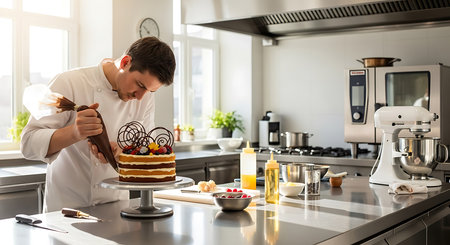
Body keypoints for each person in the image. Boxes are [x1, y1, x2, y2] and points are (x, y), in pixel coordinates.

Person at [20, 37, 176, 212]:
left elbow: (147, 150)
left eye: (150, 90)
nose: (140, 97)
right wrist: (74, 132)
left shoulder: (144, 97)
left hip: (117, 210)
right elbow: (27, 143)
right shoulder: (70, 82)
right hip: (67, 210)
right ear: (125, 62)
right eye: (139, 85)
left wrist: (122, 153)